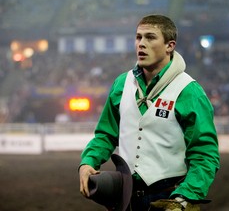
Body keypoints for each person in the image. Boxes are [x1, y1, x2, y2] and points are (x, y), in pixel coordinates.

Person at [79, 14, 220, 211]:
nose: (141, 44)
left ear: (170, 46)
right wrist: (87, 163)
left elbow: (204, 153)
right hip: (125, 197)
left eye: (150, 37)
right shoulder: (122, 84)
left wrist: (185, 197)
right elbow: (105, 134)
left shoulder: (189, 91)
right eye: (138, 37)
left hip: (170, 197)